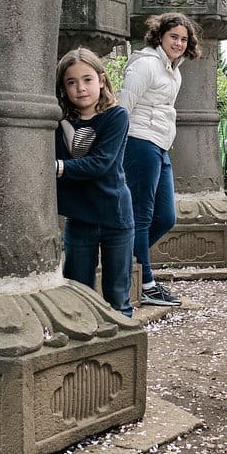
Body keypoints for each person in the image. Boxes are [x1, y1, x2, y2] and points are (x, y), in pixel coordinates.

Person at [119, 12, 201, 307]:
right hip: (139, 142)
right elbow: (123, 107)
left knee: (166, 217)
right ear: (160, 37)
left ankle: (124, 259)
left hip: (160, 145)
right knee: (142, 215)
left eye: (183, 38)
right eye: (173, 37)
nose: (179, 43)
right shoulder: (146, 65)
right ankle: (148, 284)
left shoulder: (174, 70)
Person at [55, 48, 133, 317]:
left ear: (101, 80)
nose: (81, 88)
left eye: (87, 79)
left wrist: (59, 167)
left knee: (117, 297)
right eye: (71, 82)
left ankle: (122, 353)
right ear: (63, 88)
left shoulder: (116, 116)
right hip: (79, 217)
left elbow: (101, 163)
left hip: (115, 214)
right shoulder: (58, 122)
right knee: (77, 293)